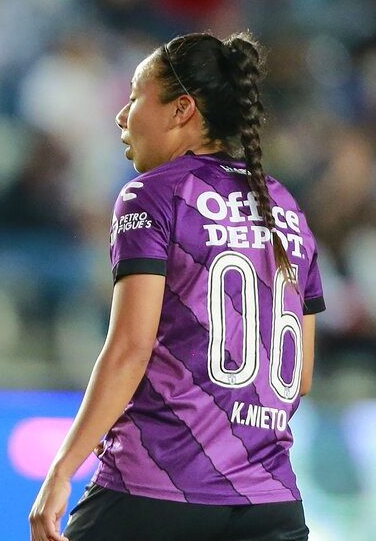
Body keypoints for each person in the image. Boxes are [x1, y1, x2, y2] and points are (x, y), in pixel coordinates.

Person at [29, 32, 324, 541]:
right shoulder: (287, 208)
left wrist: (62, 469)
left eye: (135, 97)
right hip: (271, 502)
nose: (122, 116)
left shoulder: (153, 194)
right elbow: (300, 377)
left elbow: (130, 348)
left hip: (158, 487)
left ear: (182, 109)